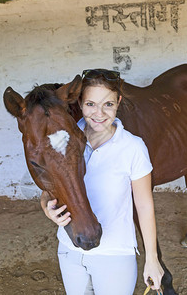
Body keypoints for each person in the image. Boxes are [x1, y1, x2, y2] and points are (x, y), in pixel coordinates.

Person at [40, 68, 164, 295]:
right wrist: (46, 206)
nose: (99, 113)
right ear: (80, 102)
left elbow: (144, 206)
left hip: (114, 254)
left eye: (107, 104)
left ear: (118, 101)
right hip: (69, 249)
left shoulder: (133, 147)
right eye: (90, 104)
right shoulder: (65, 138)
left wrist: (152, 259)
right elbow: (51, 185)